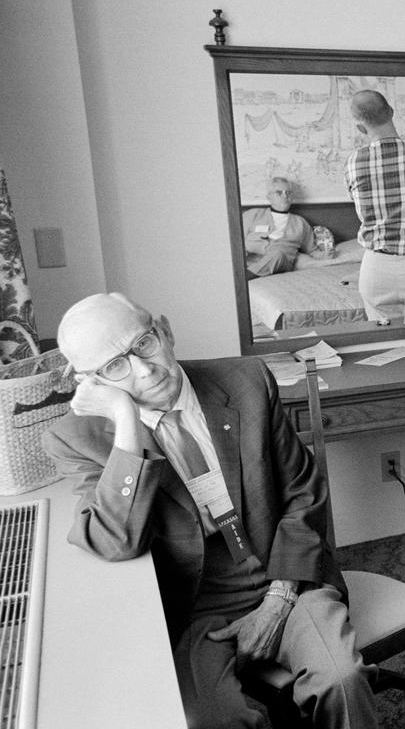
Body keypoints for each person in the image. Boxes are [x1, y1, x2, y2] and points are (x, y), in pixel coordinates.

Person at [43, 293, 377, 729]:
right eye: (114, 367)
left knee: (342, 679)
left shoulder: (246, 380)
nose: (144, 369)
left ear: (165, 330)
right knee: (210, 721)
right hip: (194, 604)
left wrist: (280, 596)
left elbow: (303, 491)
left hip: (285, 573)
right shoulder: (76, 438)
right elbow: (114, 540)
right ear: (91, 382)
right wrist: (126, 425)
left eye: (144, 343)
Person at [345, 89, 405, 324]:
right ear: (391, 112)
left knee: (384, 339)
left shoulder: (354, 162)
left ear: (360, 128)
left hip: (377, 267)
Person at [243, 176, 330, 277]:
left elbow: (312, 250)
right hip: (250, 261)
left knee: (278, 254)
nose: (285, 196)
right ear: (269, 197)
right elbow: (236, 242)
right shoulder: (253, 214)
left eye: (288, 193)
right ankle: (250, 274)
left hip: (280, 263)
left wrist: (325, 256)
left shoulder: (300, 222)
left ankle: (243, 278)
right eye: (279, 193)